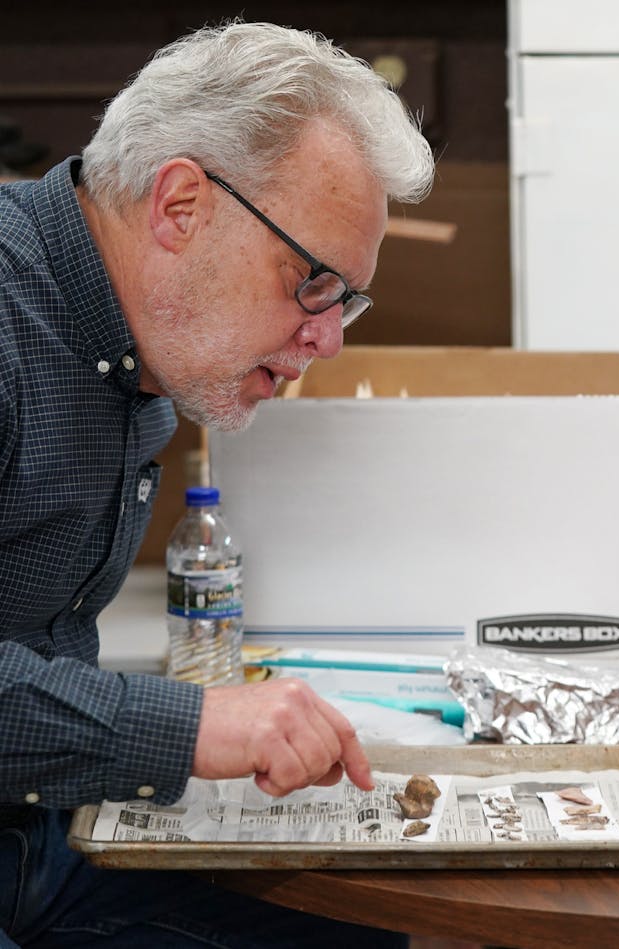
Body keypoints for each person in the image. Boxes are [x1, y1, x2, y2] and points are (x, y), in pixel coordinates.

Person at [1, 21, 434, 947]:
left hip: (39, 832)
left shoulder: (147, 362)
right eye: (312, 281)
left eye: (346, 300)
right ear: (181, 205)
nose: (329, 338)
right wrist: (186, 722)